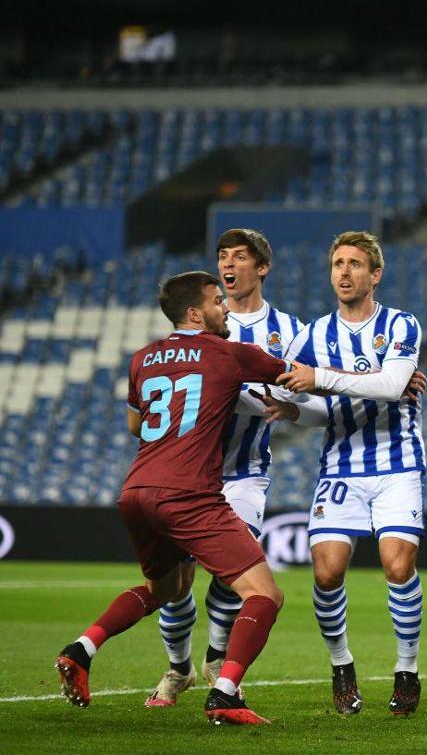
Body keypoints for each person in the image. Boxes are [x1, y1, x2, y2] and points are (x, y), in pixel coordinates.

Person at [54, 271, 296, 725]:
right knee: (265, 595)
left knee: (166, 590)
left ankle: (81, 649)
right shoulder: (228, 352)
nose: (225, 308)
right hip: (190, 493)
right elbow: (296, 376)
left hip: (137, 491)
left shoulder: (143, 358)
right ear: (194, 313)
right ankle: (224, 694)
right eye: (217, 301)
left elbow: (136, 425)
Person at [143, 228, 305, 708]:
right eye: (222, 256)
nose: (228, 264)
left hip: (244, 472)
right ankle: (179, 669)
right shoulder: (201, 323)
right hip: (186, 474)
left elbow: (300, 385)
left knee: (235, 573)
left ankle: (217, 657)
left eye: (239, 256)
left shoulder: (289, 330)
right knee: (176, 583)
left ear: (262, 267)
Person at [274, 231, 427, 717]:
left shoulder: (401, 324)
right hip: (340, 465)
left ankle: (407, 669)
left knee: (397, 566)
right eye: (337, 263)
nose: (344, 271)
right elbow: (302, 400)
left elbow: (393, 384)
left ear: (375, 274)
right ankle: (341, 665)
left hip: (397, 463)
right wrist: (297, 409)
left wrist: (320, 379)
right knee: (327, 572)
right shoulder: (313, 335)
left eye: (355, 264)